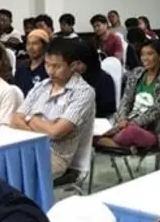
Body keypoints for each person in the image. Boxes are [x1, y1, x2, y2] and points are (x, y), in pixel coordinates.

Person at [11, 38, 96, 179]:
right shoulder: (41, 86)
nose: (50, 71)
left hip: (55, 157)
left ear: (73, 65)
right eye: (47, 64)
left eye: (57, 66)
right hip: (28, 147)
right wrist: (44, 127)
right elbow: (15, 119)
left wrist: (29, 119)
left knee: (13, 174)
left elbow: (56, 132)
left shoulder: (83, 92)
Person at [98, 40, 160, 150]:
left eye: (150, 54)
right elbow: (126, 100)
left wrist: (128, 124)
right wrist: (122, 119)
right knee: (96, 130)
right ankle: (124, 147)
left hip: (150, 131)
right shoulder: (136, 73)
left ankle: (108, 142)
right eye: (143, 54)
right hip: (125, 124)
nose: (145, 58)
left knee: (131, 132)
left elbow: (155, 112)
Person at [72, 39, 116, 119]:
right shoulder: (73, 77)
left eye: (79, 63)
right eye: (73, 64)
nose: (75, 67)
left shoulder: (104, 80)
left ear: (88, 61)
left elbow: (107, 109)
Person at [14, 29, 49, 96]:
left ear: (44, 46)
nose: (30, 47)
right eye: (28, 44)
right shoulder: (21, 67)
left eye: (35, 44)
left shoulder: (49, 68)